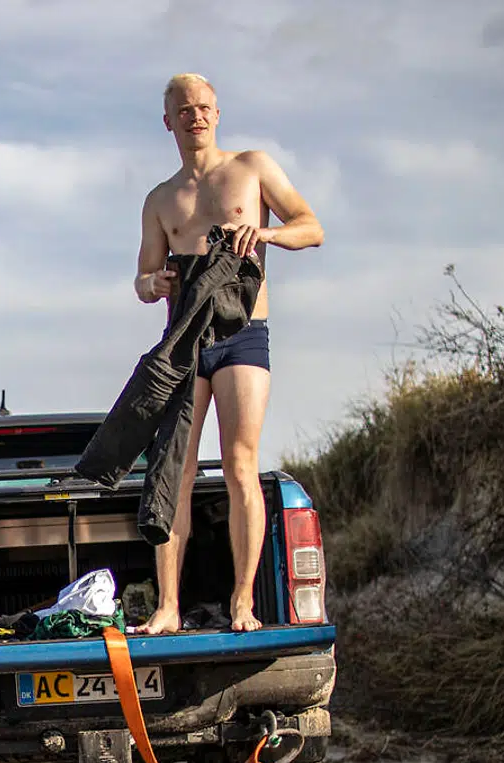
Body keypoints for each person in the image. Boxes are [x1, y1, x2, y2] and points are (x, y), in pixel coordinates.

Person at [131, 74, 323, 635]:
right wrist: (153, 284)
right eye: (185, 110)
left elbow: (311, 228)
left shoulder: (253, 167)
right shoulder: (161, 199)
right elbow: (143, 276)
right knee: (176, 471)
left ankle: (243, 602)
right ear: (168, 121)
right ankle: (167, 606)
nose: (196, 116)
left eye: (205, 108)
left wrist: (262, 236)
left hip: (244, 333)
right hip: (184, 343)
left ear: (218, 113)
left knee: (241, 464)